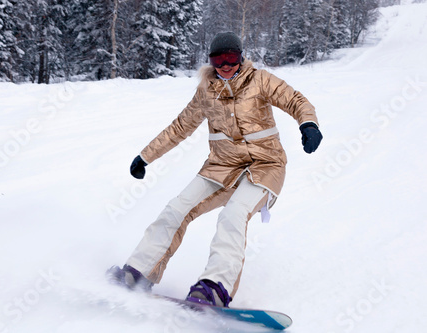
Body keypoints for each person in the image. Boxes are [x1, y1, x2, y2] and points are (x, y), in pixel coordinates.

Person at [108, 32, 322, 307]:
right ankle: (137, 273)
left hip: (266, 165)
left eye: (231, 58)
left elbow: (296, 100)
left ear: (240, 57)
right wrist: (145, 157)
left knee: (233, 215)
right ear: (210, 62)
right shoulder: (207, 90)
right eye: (218, 59)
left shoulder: (260, 80)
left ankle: (214, 287)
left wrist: (309, 125)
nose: (225, 65)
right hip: (220, 167)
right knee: (175, 210)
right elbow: (180, 127)